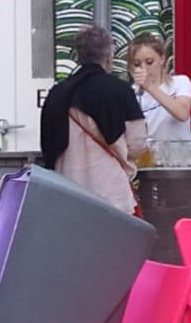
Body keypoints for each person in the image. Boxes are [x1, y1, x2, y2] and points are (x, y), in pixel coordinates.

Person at [39, 25, 147, 216]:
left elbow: (47, 145)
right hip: (110, 192)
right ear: (108, 57)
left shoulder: (57, 93)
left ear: (79, 56)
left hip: (67, 192)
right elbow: (137, 143)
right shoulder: (120, 90)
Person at [127, 33, 191, 142]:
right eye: (137, 64)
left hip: (178, 154)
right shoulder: (131, 93)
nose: (144, 68)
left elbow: (182, 113)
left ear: (162, 59)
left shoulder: (180, 82)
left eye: (149, 62)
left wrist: (149, 87)